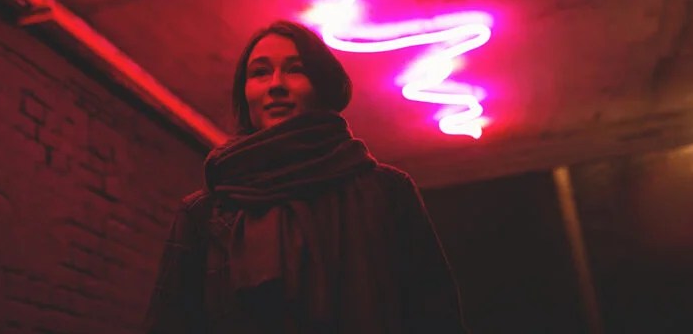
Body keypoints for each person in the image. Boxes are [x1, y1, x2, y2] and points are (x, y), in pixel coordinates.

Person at [143, 20, 468, 333]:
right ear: (245, 94)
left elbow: (436, 317)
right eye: (259, 73)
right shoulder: (204, 213)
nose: (276, 85)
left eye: (295, 70)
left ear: (323, 87)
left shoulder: (387, 192)